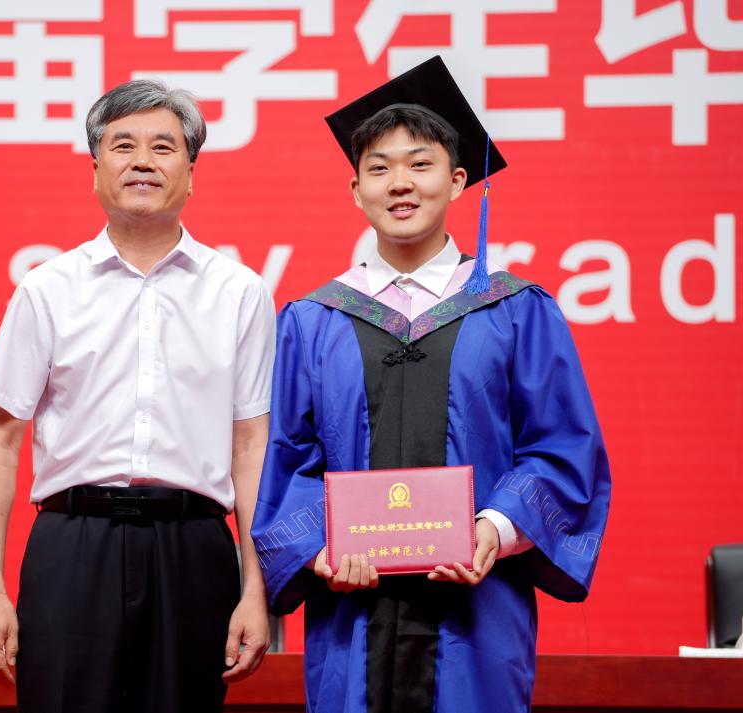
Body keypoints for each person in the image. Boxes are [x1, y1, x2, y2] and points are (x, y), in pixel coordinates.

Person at [251, 56, 612, 713]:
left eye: (420, 164)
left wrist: (495, 528)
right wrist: (321, 549)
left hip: (477, 618)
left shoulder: (515, 310)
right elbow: (287, 458)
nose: (400, 183)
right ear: (355, 189)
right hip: (352, 618)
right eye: (379, 168)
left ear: (458, 178)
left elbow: (562, 448)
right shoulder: (313, 319)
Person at [0, 79, 275, 713]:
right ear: (95, 169)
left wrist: (256, 589)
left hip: (194, 548)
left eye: (163, 147)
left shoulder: (240, 292)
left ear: (191, 172)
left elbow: (252, 448)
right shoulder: (46, 289)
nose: (142, 161)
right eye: (123, 145)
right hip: (72, 546)